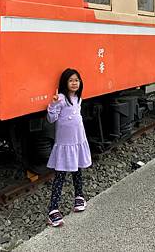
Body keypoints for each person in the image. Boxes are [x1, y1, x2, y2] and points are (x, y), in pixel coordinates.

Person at [46, 68, 92, 227]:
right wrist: (52, 104)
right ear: (65, 83)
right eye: (71, 80)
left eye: (77, 80)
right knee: (60, 175)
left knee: (77, 170)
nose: (74, 83)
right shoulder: (60, 98)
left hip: (78, 141)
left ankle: (79, 196)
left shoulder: (78, 99)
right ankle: (53, 209)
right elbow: (51, 119)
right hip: (65, 144)